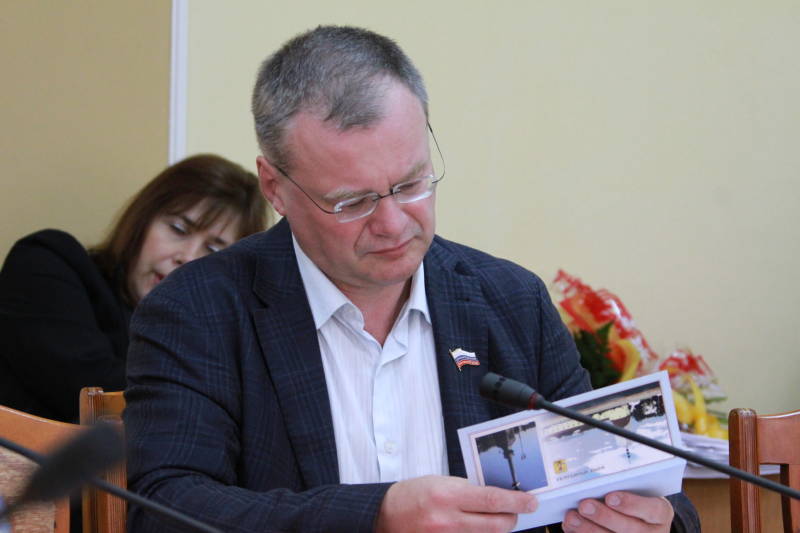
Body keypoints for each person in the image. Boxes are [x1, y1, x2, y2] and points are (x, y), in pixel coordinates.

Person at [124, 26, 700, 533]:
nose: (394, 224)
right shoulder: (198, 310)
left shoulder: (510, 301)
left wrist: (653, 519)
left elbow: (638, 480)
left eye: (411, 184)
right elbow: (164, 509)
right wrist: (374, 517)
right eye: (351, 202)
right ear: (275, 188)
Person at [0, 154, 270, 424]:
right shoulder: (47, 262)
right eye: (178, 229)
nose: (187, 257)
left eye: (212, 250)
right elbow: (96, 397)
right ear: (143, 218)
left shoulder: (215, 343)